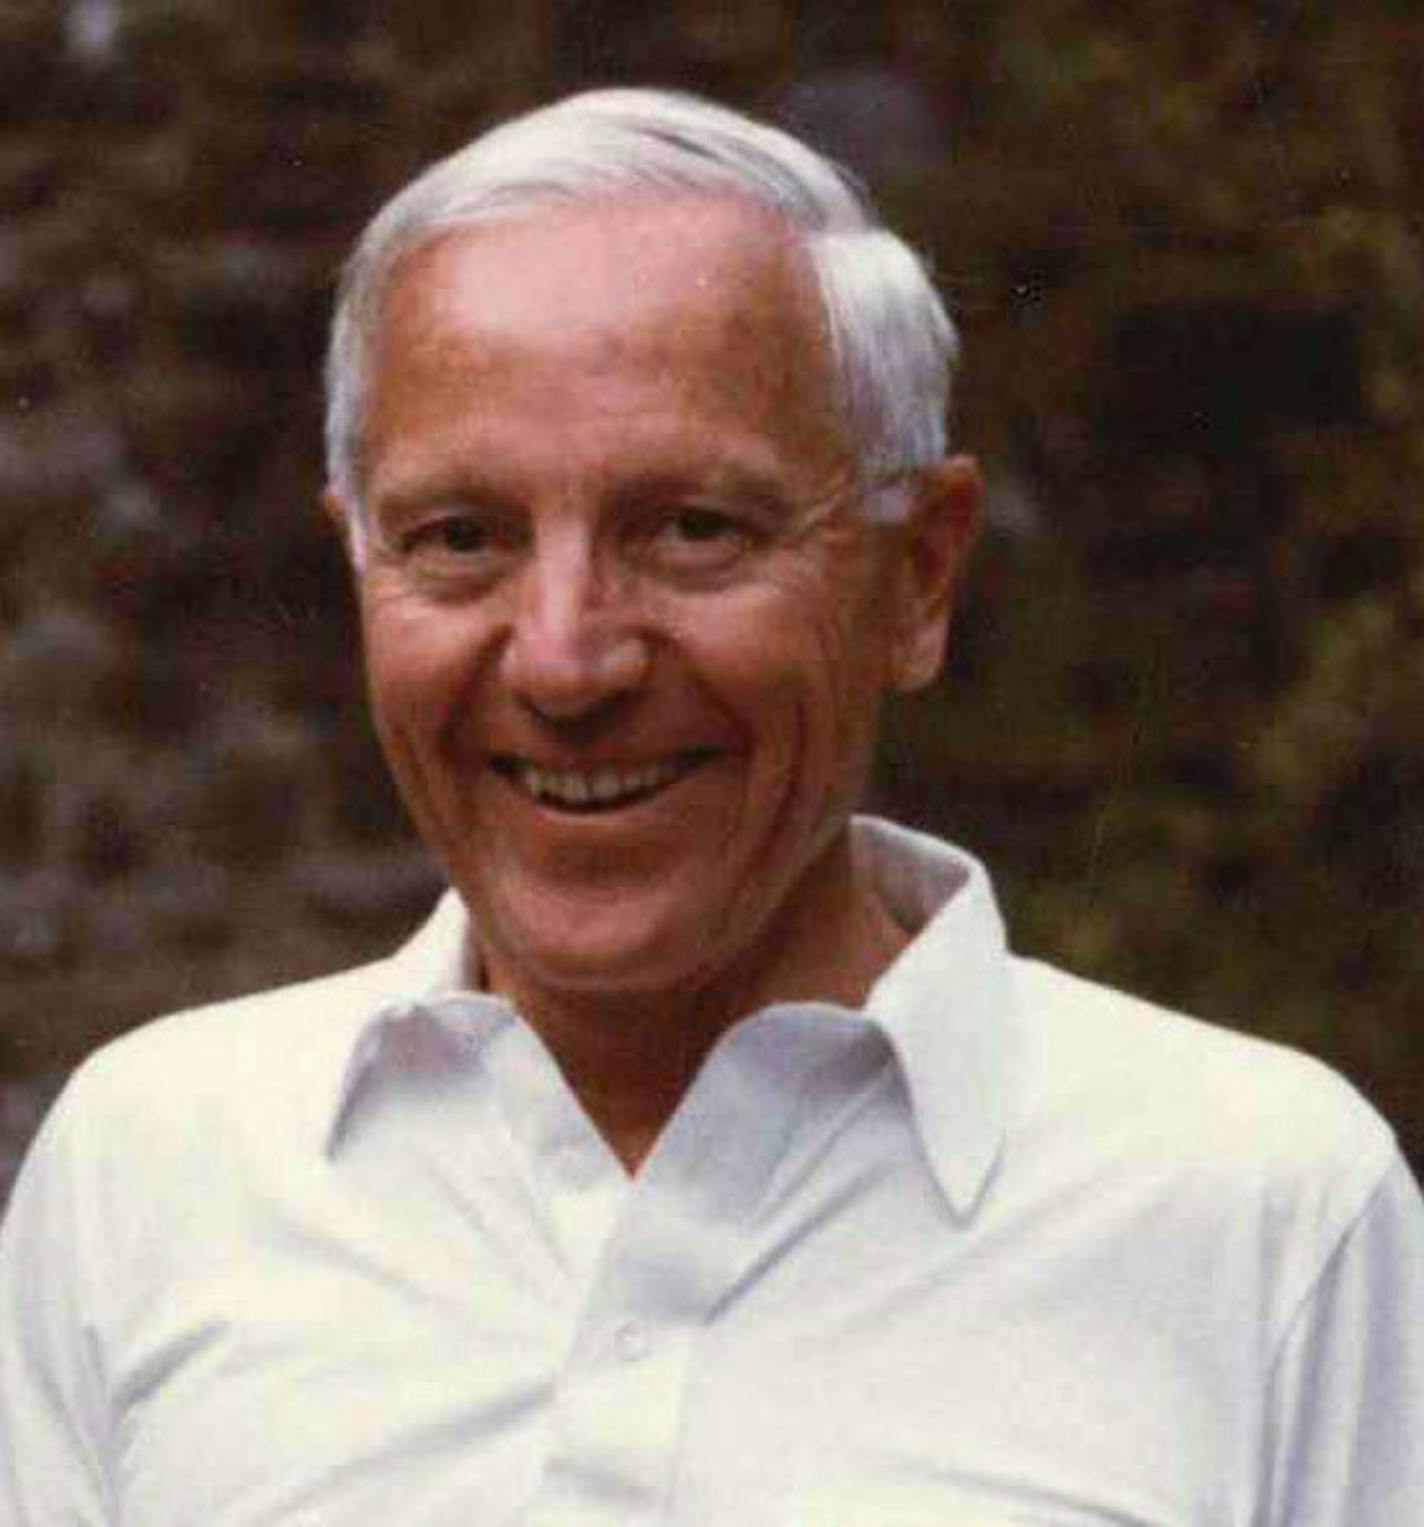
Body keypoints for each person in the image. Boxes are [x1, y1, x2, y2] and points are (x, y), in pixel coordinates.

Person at [2, 87, 1421, 1526]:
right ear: (354, 564)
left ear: (920, 574)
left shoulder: (1264, 1217)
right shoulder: (150, 1174)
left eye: (692, 529)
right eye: (461, 538)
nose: (565, 660)